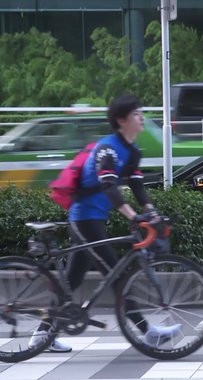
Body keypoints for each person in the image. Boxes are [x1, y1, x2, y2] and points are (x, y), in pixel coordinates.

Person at [29, 95, 181, 352]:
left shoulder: (132, 151)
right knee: (118, 276)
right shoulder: (107, 149)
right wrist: (133, 216)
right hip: (84, 218)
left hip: (95, 218)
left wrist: (151, 212)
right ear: (121, 121)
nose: (141, 118)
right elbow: (109, 185)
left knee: (74, 279)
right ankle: (148, 332)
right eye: (136, 114)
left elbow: (136, 184)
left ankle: (42, 335)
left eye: (140, 113)